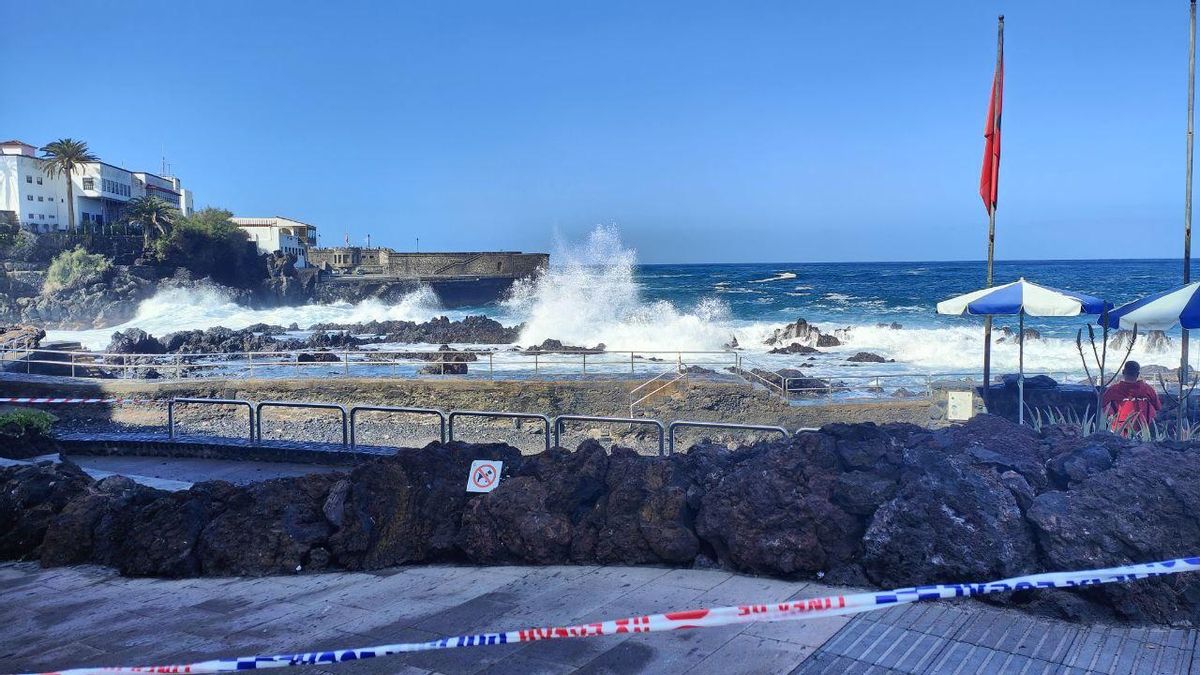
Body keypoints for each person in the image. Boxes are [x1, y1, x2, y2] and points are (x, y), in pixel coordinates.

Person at [1101, 361, 1161, 433]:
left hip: (1119, 433)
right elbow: (1158, 407)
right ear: (1138, 374)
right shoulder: (1148, 389)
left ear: (1123, 372)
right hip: (1143, 432)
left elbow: (1101, 407)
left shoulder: (1113, 390)